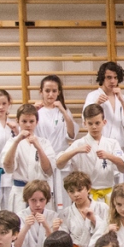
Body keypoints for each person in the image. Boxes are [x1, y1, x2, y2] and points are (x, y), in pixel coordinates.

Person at [57, 103, 124, 204]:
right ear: (84, 123)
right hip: (85, 196)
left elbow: (123, 168)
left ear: (104, 122)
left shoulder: (112, 143)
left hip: (108, 195)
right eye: (90, 123)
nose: (94, 127)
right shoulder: (79, 144)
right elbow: (59, 164)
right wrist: (76, 151)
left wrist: (109, 156)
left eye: (97, 123)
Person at [1, 103, 55, 214]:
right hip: (20, 192)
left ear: (37, 122)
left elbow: (48, 170)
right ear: (17, 121)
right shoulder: (12, 142)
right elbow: (8, 167)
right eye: (24, 121)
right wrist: (17, 141)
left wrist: (38, 147)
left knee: (43, 222)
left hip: (41, 193)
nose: (28, 125)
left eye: (31, 121)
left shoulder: (44, 143)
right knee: (19, 223)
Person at [35, 75, 77, 207]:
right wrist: (33, 111)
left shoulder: (64, 111)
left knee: (63, 198)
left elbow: (71, 134)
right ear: (41, 92)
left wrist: (63, 110)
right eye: (47, 91)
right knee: (44, 196)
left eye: (54, 91)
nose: (50, 94)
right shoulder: (37, 112)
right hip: (43, 159)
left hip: (61, 159)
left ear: (59, 92)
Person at [58, 171, 109, 247]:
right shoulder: (65, 213)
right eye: (71, 191)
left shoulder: (102, 208)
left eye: (79, 190)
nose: (76, 194)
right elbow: (64, 241)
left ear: (89, 188)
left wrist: (94, 220)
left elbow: (109, 232)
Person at [83, 61, 124, 153]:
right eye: (109, 77)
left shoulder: (123, 98)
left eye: (115, 77)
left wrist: (122, 101)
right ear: (102, 78)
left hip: (120, 147)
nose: (112, 81)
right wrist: (97, 103)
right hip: (99, 146)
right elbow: (86, 120)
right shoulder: (93, 96)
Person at [14, 180, 61, 247]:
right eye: (33, 200)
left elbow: (55, 246)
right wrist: (26, 227)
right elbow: (16, 246)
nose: (38, 204)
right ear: (27, 200)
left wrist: (46, 226)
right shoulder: (20, 217)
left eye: (41, 200)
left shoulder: (53, 216)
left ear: (47, 199)